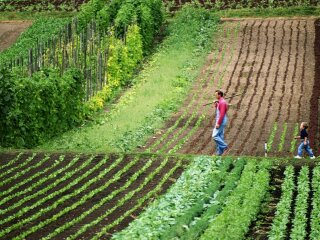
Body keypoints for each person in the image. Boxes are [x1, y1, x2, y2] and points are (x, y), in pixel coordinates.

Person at [212, 90, 229, 156]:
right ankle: (219, 153)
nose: (215, 96)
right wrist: (216, 104)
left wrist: (218, 123)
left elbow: (222, 114)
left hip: (221, 120)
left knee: (215, 135)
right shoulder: (220, 102)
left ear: (219, 95)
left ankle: (225, 146)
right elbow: (218, 109)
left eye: (216, 95)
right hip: (221, 120)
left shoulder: (222, 102)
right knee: (220, 136)